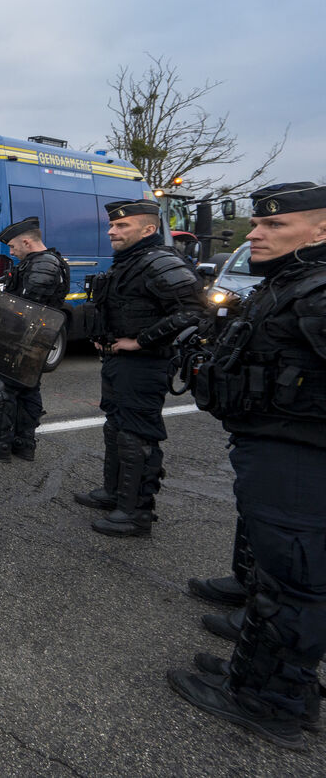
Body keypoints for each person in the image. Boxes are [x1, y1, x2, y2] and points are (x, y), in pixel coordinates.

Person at [168, 182, 326, 749]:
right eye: (257, 223)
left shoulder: (318, 292)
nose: (255, 234)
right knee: (278, 574)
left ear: (322, 230)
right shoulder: (292, 281)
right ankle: (260, 677)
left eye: (274, 226)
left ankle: (269, 703)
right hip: (276, 443)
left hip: (301, 456)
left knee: (294, 582)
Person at [73, 199, 204, 536]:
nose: (111, 231)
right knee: (116, 427)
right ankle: (114, 494)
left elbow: (192, 312)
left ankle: (135, 513)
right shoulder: (130, 261)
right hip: (119, 362)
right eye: (112, 225)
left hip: (144, 365)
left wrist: (141, 341)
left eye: (121, 226)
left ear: (148, 229)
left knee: (137, 434)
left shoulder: (160, 261)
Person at [0, 217, 71, 462]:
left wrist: (3, 298)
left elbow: (29, 305)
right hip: (32, 337)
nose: (11, 252)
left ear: (27, 242)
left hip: (27, 338)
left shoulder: (44, 265)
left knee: (1, 386)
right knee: (27, 388)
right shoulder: (37, 262)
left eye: (13, 247)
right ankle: (23, 444)